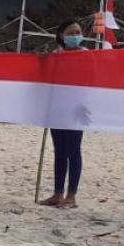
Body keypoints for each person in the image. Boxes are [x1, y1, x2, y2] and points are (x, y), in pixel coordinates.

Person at [40, 20, 88, 208]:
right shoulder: (56, 54)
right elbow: (47, 78)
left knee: (73, 151)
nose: (76, 35)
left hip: (76, 108)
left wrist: (83, 105)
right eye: (71, 32)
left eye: (78, 31)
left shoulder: (86, 55)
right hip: (57, 108)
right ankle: (58, 193)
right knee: (59, 151)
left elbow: (91, 81)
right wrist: (43, 62)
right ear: (61, 35)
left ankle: (72, 196)